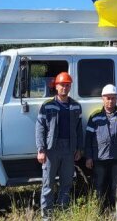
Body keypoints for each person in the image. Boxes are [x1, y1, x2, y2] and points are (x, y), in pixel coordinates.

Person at [35, 72, 83, 217]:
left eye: (67, 85)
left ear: (70, 87)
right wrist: (41, 149)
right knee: (48, 184)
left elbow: (79, 129)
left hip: (69, 149)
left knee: (66, 183)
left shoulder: (76, 106)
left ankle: (63, 213)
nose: (64, 87)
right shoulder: (47, 106)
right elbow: (40, 128)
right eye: (62, 85)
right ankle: (46, 216)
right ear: (56, 86)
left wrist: (79, 149)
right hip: (51, 149)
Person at [84, 84, 117, 211]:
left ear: (116, 99)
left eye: (113, 98)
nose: (110, 100)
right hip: (99, 158)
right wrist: (88, 157)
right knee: (99, 186)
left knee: (116, 186)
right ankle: (100, 212)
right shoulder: (94, 116)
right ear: (103, 99)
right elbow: (88, 139)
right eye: (108, 98)